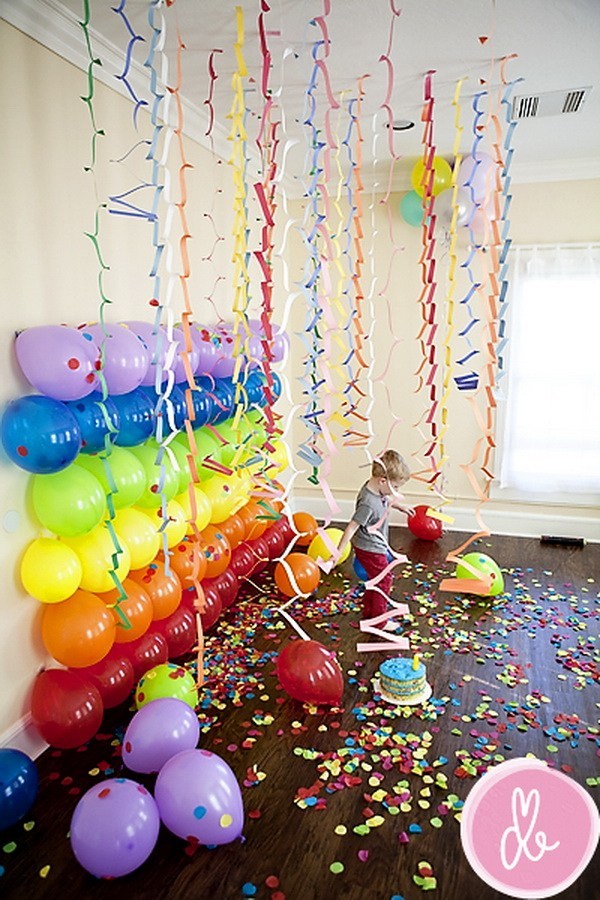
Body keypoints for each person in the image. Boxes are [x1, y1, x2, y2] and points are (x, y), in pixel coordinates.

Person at [335, 450, 414, 629]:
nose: (397, 491)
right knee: (384, 580)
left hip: (374, 545)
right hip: (370, 549)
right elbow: (352, 526)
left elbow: (385, 499)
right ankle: (379, 622)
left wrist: (400, 506)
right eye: (396, 487)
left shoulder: (375, 488)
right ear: (383, 481)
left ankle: (370, 612)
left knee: (374, 579)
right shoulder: (368, 503)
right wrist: (338, 551)